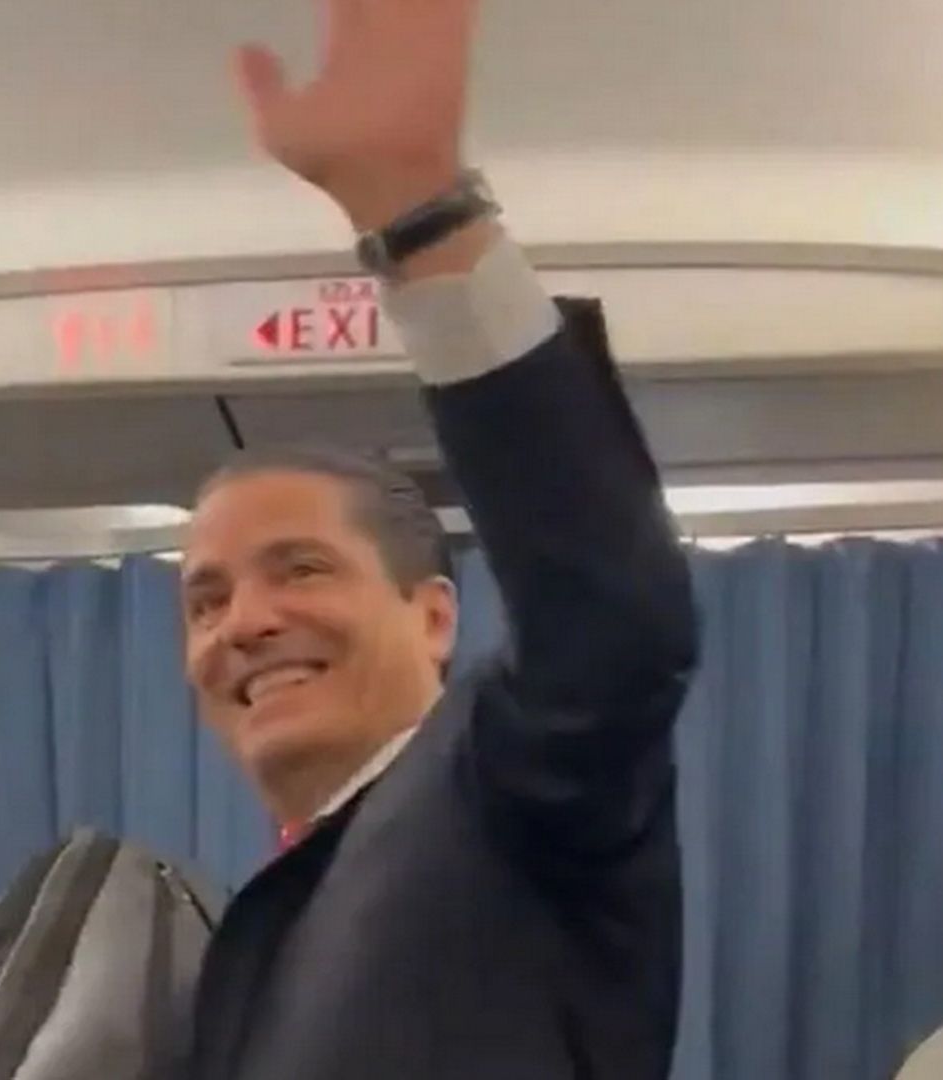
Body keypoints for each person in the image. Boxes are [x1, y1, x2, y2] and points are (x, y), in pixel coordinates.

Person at [179, 1, 700, 1077]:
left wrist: (421, 216)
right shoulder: (272, 915)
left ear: (432, 616)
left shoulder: (501, 794)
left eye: (301, 568)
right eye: (207, 600)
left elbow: (612, 627)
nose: (245, 624)